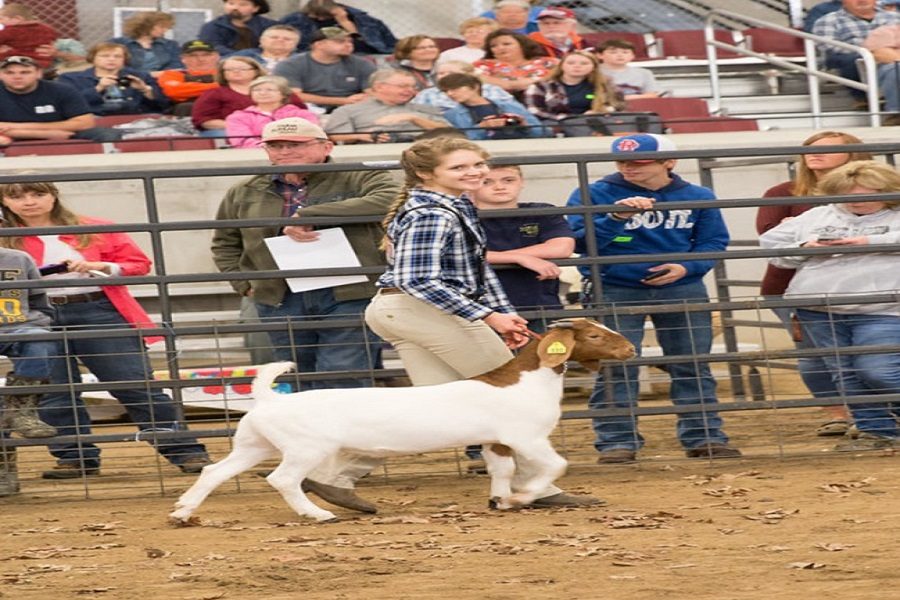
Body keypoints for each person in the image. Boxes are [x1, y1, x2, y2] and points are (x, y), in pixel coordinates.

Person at [363, 136, 601, 509]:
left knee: (434, 407)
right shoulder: (434, 213)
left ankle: (332, 475)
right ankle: (537, 486)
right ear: (426, 173)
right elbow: (418, 279)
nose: (474, 172)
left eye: (477, 164)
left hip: (404, 311)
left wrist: (504, 315)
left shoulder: (452, 205)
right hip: (424, 311)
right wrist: (489, 315)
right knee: (510, 397)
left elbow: (477, 271)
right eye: (459, 167)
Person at [0, 182, 211, 479]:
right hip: (34, 313)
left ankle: (184, 450)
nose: (29, 202)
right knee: (55, 391)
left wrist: (100, 265)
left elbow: (138, 265)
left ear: (53, 196)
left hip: (96, 308)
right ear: (6, 202)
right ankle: (75, 456)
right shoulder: (6, 236)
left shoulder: (95, 227)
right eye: (17, 196)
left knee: (133, 383)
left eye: (38, 194)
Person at [565, 133, 741, 464]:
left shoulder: (697, 196)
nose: (630, 169)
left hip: (679, 286)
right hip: (614, 285)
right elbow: (582, 243)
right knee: (616, 366)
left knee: (691, 362)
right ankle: (618, 441)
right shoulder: (596, 193)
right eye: (623, 163)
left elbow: (712, 242)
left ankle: (704, 436)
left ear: (668, 163)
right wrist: (617, 221)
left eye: (640, 163)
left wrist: (686, 266)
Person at [211, 117, 397, 390]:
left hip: (348, 290)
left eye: (295, 145)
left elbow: (389, 200)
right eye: (276, 145)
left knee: (343, 370)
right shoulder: (244, 190)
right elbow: (225, 241)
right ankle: (311, 430)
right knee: (296, 369)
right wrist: (244, 283)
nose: (285, 152)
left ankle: (337, 431)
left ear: (327, 147)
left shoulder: (361, 174)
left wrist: (309, 214)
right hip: (280, 293)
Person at [759, 160, 900, 451]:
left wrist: (867, 241)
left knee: (880, 370)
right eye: (849, 194)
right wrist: (804, 249)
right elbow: (771, 245)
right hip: (818, 305)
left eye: (868, 193)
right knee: (843, 371)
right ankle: (877, 431)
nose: (857, 201)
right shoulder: (819, 215)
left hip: (884, 308)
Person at [758, 131, 872, 437]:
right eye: (809, 149)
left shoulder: (876, 190)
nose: (814, 154)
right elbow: (769, 236)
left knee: (874, 350)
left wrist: (804, 236)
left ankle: (873, 412)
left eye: (827, 150)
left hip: (868, 287)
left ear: (854, 156)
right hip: (792, 286)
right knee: (815, 354)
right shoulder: (782, 191)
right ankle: (838, 413)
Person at [472, 163, 575, 327]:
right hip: (481, 311)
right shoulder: (460, 216)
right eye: (487, 182)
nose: (499, 187)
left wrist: (501, 257)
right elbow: (456, 254)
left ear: (521, 182)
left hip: (541, 305)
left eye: (508, 180)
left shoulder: (542, 211)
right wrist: (520, 258)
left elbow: (562, 247)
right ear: (471, 184)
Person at [0, 247, 62, 497]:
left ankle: (20, 410)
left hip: (18, 325)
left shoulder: (18, 259)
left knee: (39, 340)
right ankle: (3, 469)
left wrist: (39, 322)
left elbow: (38, 299)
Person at [0, 55, 120, 146]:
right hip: (49, 133)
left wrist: (13, 127)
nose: (17, 77)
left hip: (64, 132)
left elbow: (85, 123)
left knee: (107, 134)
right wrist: (46, 134)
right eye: (9, 73)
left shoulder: (61, 90)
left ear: (38, 73)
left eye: (25, 72)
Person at [325, 69, 450, 144]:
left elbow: (448, 132)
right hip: (373, 153)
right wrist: (362, 135)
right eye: (403, 86)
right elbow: (334, 136)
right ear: (379, 86)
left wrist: (414, 118)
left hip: (424, 151)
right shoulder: (348, 110)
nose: (410, 90)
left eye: (413, 87)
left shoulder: (424, 109)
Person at [811, 0, 900, 102]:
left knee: (893, 66)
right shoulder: (828, 20)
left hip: (891, 56)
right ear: (843, 1)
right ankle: (862, 99)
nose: (862, 0)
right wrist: (872, 52)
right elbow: (828, 47)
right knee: (851, 59)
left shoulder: (895, 17)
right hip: (853, 57)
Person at [273, 26, 376, 113]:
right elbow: (293, 96)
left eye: (350, 42)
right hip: (305, 108)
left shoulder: (362, 64)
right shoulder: (291, 64)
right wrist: (343, 101)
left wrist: (362, 98)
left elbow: (373, 91)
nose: (348, 45)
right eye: (340, 41)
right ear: (319, 45)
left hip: (352, 108)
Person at [58, 43, 169, 116]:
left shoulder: (141, 77)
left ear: (124, 60)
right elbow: (69, 105)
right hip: (94, 118)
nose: (111, 59)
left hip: (136, 117)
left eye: (117, 56)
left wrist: (145, 89)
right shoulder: (71, 78)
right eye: (105, 56)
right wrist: (98, 88)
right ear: (93, 58)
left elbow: (164, 104)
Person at [523, 50, 624, 129]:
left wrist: (601, 111)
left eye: (584, 63)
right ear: (562, 66)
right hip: (556, 122)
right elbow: (534, 111)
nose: (577, 66)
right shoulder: (541, 86)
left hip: (594, 121)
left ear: (593, 67)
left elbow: (617, 104)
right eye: (571, 63)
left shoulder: (605, 83)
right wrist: (571, 119)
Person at [438, 73, 545, 140]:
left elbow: (540, 132)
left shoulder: (509, 105)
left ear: (475, 87)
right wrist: (482, 127)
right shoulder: (452, 114)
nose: (450, 94)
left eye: (455, 89)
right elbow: (462, 141)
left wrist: (523, 124)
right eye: (446, 91)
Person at [225, 75, 320, 148]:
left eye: (269, 90)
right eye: (257, 90)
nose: (262, 93)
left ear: (283, 94)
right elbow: (242, 142)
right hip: (255, 155)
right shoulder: (237, 117)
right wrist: (272, 149)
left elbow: (311, 137)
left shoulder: (303, 115)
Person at [280, 0, 396, 55]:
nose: (320, 19)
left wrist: (345, 23)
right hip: (314, 58)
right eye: (316, 16)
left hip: (360, 56)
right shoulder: (295, 20)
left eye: (325, 16)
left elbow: (382, 46)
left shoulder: (364, 21)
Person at [190, 55, 267, 136]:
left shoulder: (272, 91)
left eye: (242, 69)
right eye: (230, 69)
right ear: (223, 73)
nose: (236, 71)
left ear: (256, 71)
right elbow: (203, 121)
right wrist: (239, 126)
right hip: (226, 130)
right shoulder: (214, 93)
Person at [473, 29, 558, 99]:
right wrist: (538, 81)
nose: (500, 48)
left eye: (507, 44)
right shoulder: (482, 65)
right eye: (493, 46)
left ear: (522, 45)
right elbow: (505, 85)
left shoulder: (548, 62)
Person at [413, 60, 517, 111]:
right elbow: (417, 113)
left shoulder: (491, 90)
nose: (445, 76)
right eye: (441, 73)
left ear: (468, 74)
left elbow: (510, 108)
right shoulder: (427, 94)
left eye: (451, 73)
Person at [110, 11, 183, 75]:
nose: (165, 30)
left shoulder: (170, 45)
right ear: (147, 25)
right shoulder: (118, 43)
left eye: (167, 27)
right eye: (161, 27)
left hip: (160, 81)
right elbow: (114, 65)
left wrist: (161, 75)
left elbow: (177, 65)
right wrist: (146, 75)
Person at [199, 0, 277, 57]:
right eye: (231, 3)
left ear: (255, 8)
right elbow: (213, 47)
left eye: (243, 5)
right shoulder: (213, 26)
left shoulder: (270, 26)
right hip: (225, 60)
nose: (235, 7)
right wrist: (243, 55)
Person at [156, 40, 221, 106]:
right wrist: (220, 86)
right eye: (193, 55)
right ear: (183, 59)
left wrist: (190, 89)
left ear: (217, 57)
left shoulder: (227, 73)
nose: (201, 59)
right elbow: (173, 91)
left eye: (206, 55)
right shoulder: (172, 75)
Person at [0, 3, 58, 68]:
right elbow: (53, 38)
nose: (0, 22)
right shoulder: (47, 29)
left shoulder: (10, 31)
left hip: (18, 63)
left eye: (1, 19)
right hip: (44, 64)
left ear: (16, 19)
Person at [863, 23, 900, 125]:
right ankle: (896, 114)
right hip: (890, 68)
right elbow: (884, 55)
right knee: (897, 68)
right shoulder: (885, 32)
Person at [232, 24, 301, 72]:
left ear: (296, 44)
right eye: (274, 37)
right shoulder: (244, 56)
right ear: (261, 40)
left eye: (287, 39)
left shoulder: (303, 60)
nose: (280, 40)